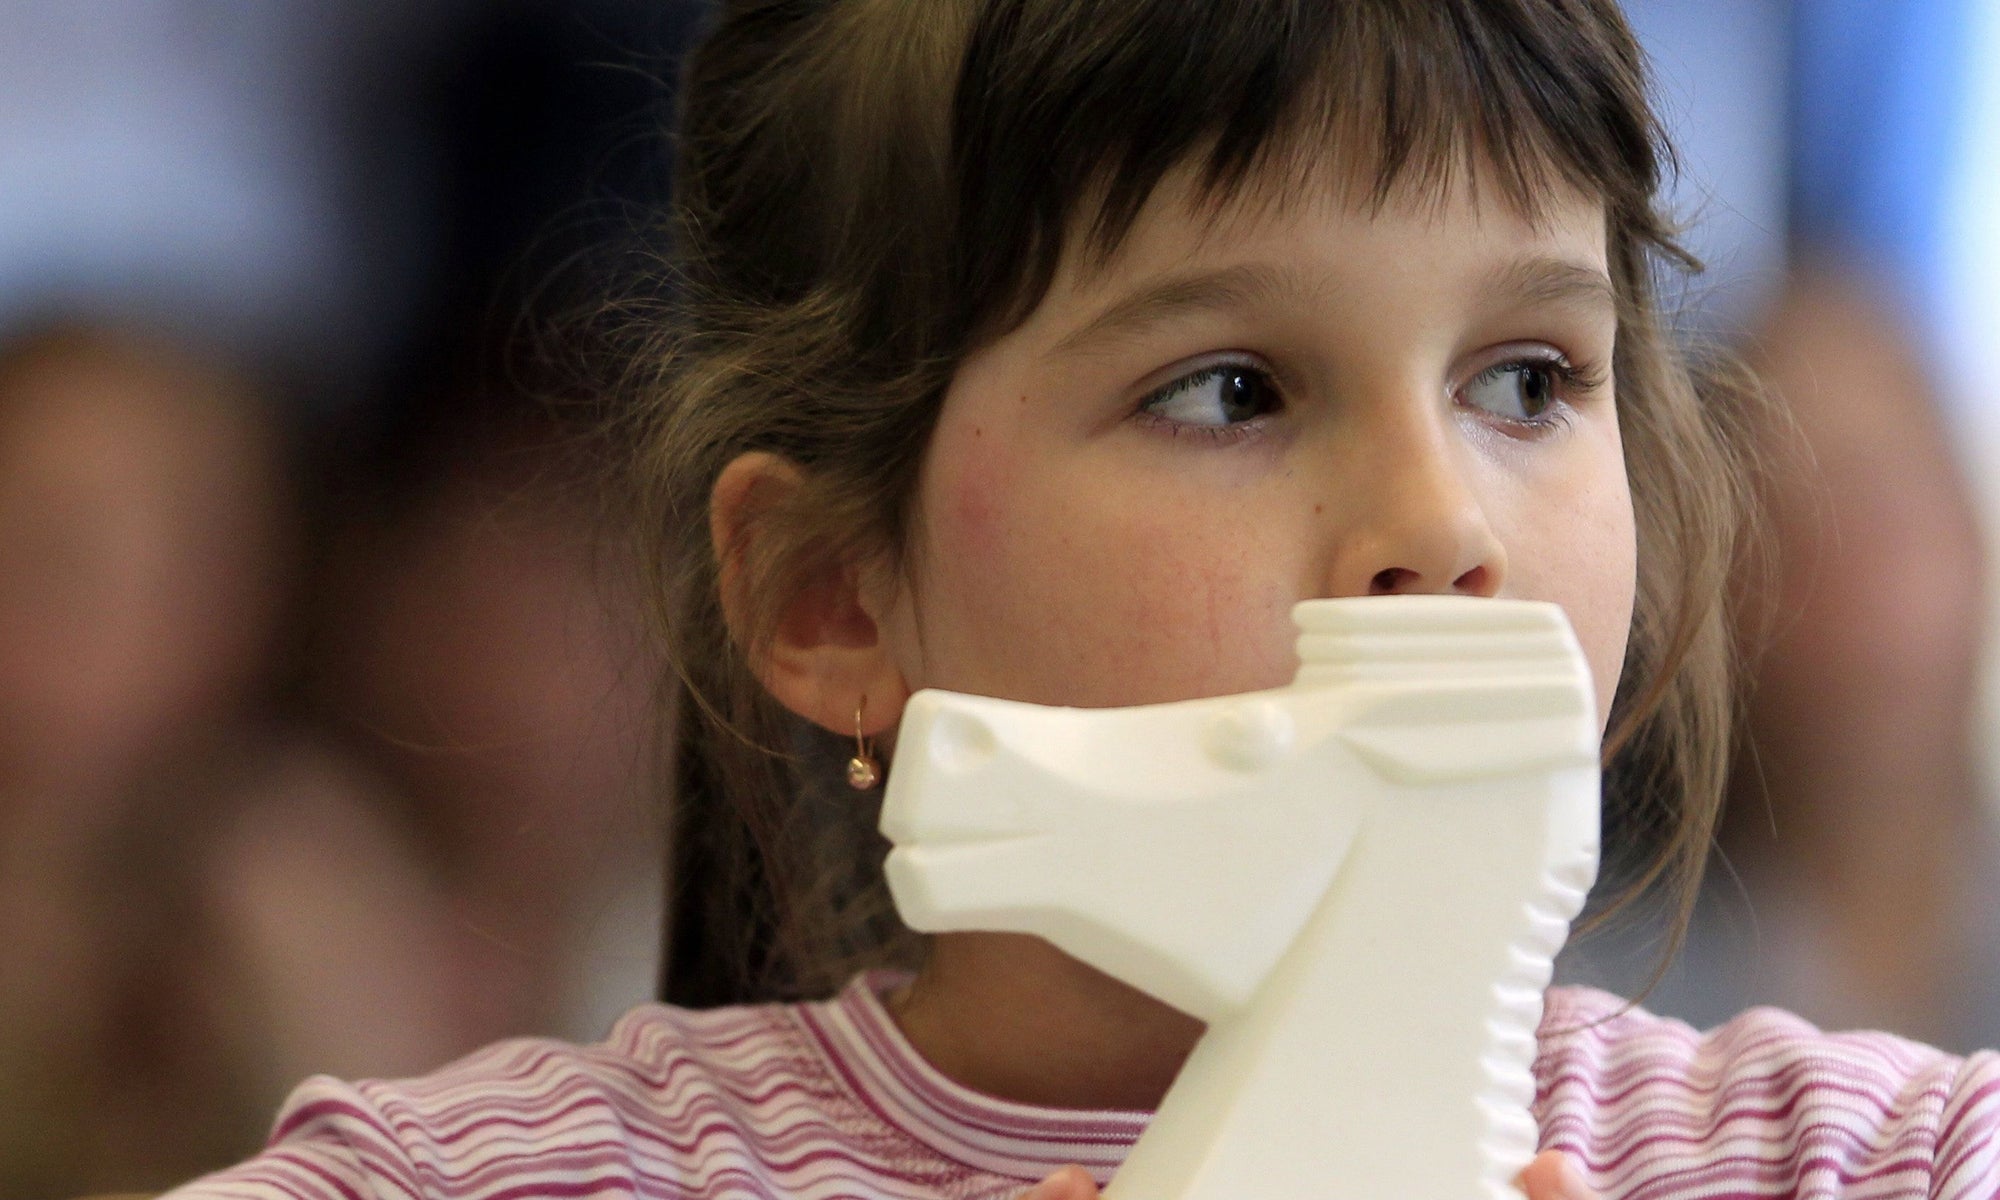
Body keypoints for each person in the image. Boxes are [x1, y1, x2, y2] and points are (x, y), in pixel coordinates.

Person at [161, 2, 2000, 1198]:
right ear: (830, 598)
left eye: (1527, 378)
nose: (1443, 529)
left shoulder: (1891, 1160)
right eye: (1231, 390)